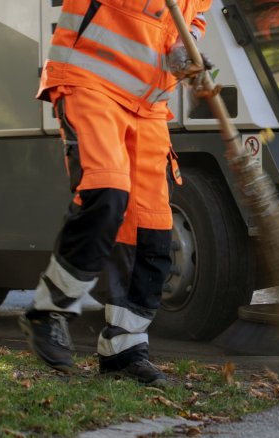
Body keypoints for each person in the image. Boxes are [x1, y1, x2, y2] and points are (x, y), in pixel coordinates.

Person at [19, 0, 212, 387]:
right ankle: (49, 310)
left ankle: (124, 347)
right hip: (90, 82)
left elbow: (189, 20)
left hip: (148, 106)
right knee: (107, 191)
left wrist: (184, 50)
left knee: (153, 232)